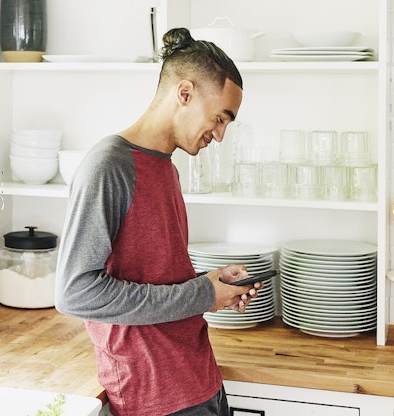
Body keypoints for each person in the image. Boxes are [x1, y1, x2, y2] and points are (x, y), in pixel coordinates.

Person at [55, 27, 262, 416]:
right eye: (219, 118)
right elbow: (75, 292)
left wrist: (213, 285)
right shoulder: (109, 167)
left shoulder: (165, 168)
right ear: (184, 94)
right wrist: (201, 294)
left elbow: (152, 273)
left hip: (200, 379)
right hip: (153, 397)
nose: (219, 135)